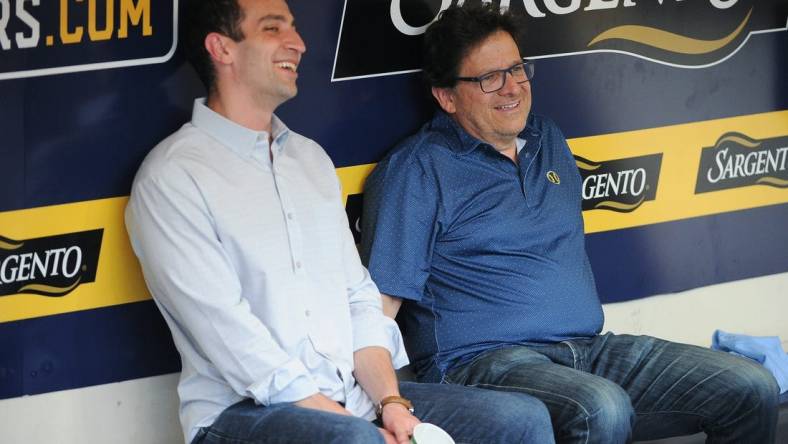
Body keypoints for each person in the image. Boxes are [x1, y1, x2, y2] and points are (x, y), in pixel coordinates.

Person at [125, 1, 555, 443]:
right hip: (241, 413)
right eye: (273, 29)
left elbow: (358, 300)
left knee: (521, 419)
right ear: (222, 48)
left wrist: (391, 405)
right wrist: (351, 422)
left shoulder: (308, 159)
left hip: (352, 398)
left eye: (294, 27)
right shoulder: (173, 177)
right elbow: (233, 342)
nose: (298, 42)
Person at [361, 5, 780, 444]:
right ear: (446, 96)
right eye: (489, 78)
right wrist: (386, 401)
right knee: (600, 407)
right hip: (480, 364)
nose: (512, 88)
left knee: (751, 386)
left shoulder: (549, 140)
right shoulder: (415, 170)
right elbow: (379, 308)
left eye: (517, 69)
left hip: (587, 349)